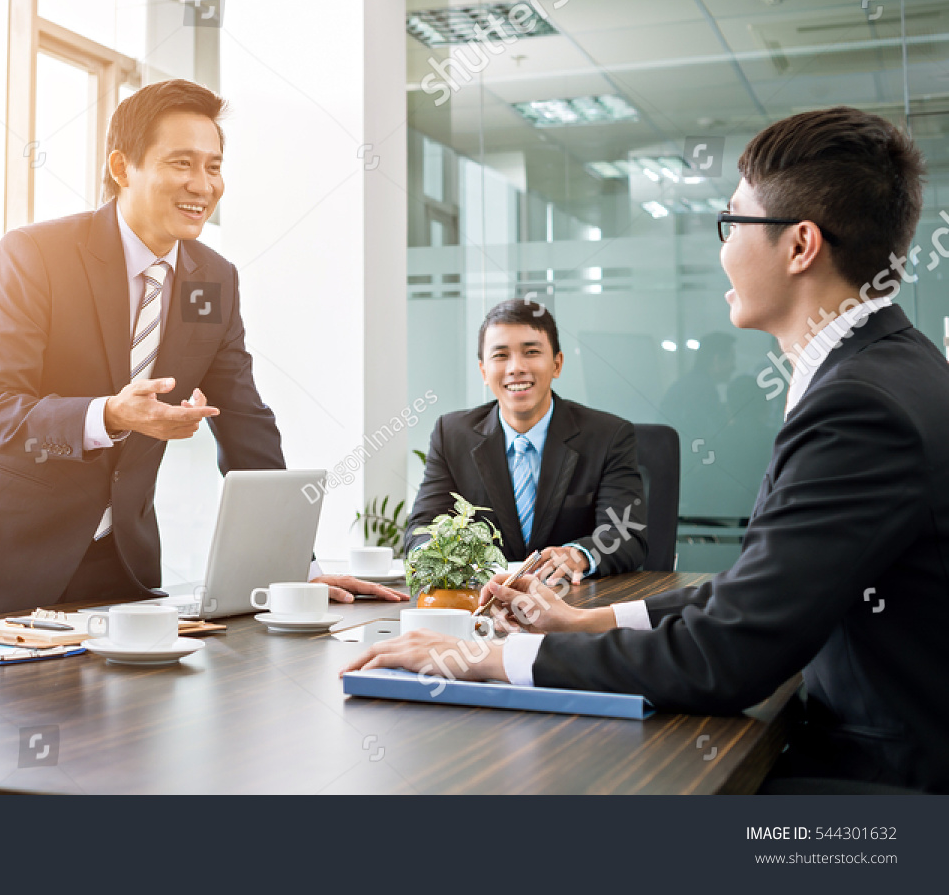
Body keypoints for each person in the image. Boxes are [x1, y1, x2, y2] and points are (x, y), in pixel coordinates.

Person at [347, 107, 948, 792]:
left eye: (733, 223)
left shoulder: (860, 406)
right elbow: (758, 587)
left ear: (800, 245)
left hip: (884, 795)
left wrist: (490, 654)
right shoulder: (882, 371)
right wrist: (588, 619)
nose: (721, 248)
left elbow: (727, 655)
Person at [0, 79, 405, 620]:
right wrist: (108, 414)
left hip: (117, 568)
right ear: (122, 168)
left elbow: (245, 421)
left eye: (214, 166)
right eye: (181, 164)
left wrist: (299, 565)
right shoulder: (35, 255)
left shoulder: (210, 281)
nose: (203, 185)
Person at [405, 299, 647, 584]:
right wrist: (440, 559)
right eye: (501, 355)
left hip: (573, 606)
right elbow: (422, 529)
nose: (516, 368)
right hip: (481, 604)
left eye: (531, 352)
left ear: (557, 364)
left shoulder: (608, 436)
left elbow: (626, 532)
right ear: (483, 371)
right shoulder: (452, 434)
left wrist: (579, 554)